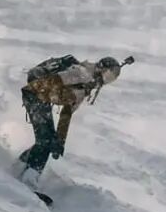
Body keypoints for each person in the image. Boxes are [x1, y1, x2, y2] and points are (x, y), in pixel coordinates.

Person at [17, 55, 131, 186]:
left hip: (40, 99)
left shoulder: (87, 86)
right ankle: (28, 180)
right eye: (108, 75)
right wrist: (35, 92)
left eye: (111, 79)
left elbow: (66, 112)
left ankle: (20, 165)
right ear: (100, 69)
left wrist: (60, 140)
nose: (106, 81)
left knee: (48, 141)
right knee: (46, 141)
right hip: (35, 95)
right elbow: (53, 81)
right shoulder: (81, 73)